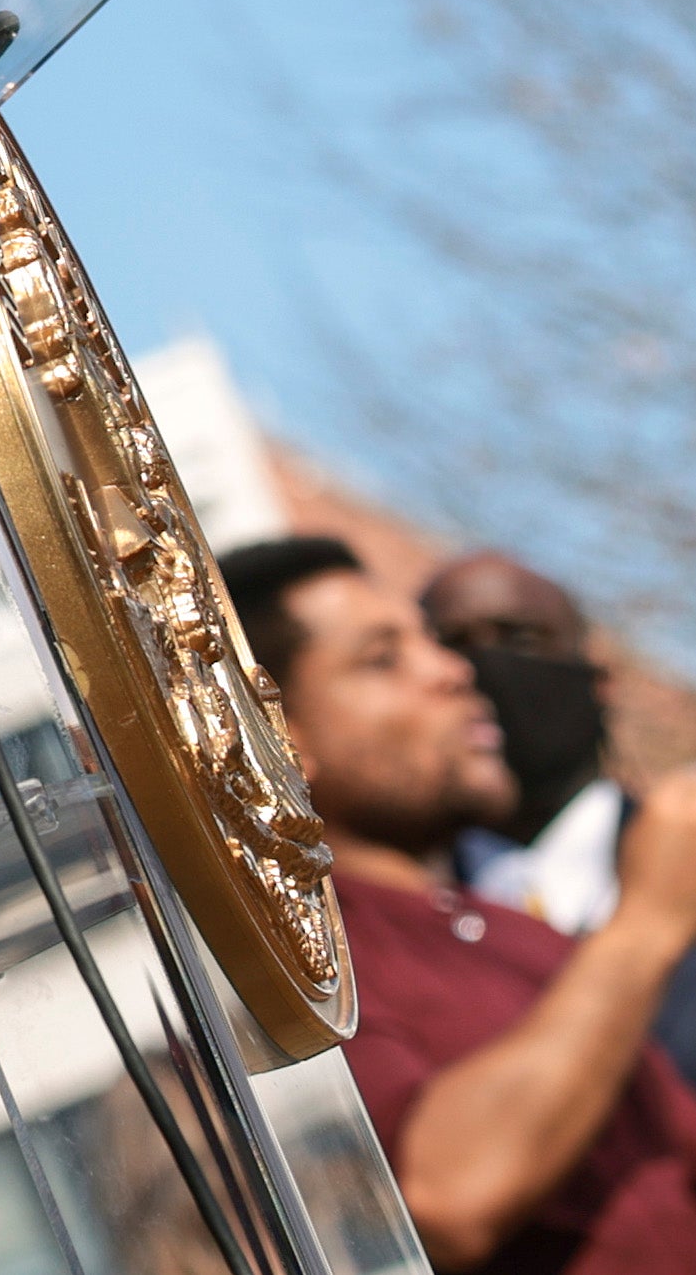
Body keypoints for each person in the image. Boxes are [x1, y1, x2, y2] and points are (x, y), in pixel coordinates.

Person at [225, 537, 696, 1271]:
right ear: (277, 734)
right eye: (382, 659)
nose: (454, 672)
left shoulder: (500, 926)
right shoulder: (306, 971)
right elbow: (444, 1196)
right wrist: (644, 924)